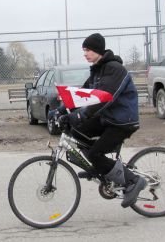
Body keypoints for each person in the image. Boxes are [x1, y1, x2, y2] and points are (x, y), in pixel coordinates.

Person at [57, 33, 146, 208]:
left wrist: (81, 115)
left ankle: (134, 181)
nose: (85, 54)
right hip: (107, 119)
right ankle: (101, 168)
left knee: (94, 154)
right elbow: (82, 95)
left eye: (88, 50)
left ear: (98, 50)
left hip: (122, 121)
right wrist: (60, 110)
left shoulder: (114, 69)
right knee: (76, 131)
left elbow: (105, 98)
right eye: (84, 50)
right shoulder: (97, 70)